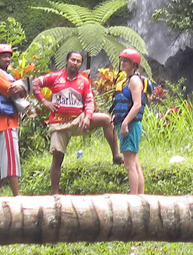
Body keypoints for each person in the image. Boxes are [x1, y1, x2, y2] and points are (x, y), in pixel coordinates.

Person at [34, 50, 120, 193]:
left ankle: (116, 155)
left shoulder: (83, 81)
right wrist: (44, 102)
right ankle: (55, 194)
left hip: (78, 120)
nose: (75, 63)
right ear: (67, 61)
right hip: (59, 123)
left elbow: (89, 101)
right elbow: (36, 83)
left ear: (81, 64)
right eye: (73, 60)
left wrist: (87, 117)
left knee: (106, 119)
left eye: (78, 61)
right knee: (57, 159)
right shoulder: (54, 77)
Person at [0, 43, 24, 197]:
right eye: (4, 56)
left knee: (4, 159)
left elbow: (20, 90)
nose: (7, 59)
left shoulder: (6, 74)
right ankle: (17, 195)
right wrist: (22, 86)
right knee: (12, 159)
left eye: (9, 56)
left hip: (10, 120)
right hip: (4, 121)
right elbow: (13, 91)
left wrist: (21, 87)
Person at [112, 49, 150, 194]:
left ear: (134, 64)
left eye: (126, 61)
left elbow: (137, 104)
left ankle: (133, 198)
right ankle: (140, 196)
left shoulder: (134, 80)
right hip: (131, 124)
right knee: (134, 163)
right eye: (121, 60)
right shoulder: (130, 79)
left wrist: (125, 123)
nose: (122, 63)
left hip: (131, 125)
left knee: (129, 165)